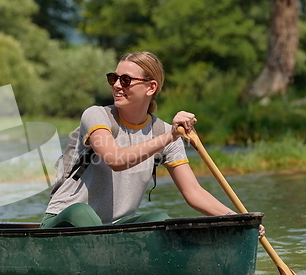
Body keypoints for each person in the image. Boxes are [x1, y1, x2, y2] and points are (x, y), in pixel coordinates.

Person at [41, 51, 264, 237]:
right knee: (81, 211)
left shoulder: (164, 132)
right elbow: (115, 160)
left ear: (151, 87)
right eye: (113, 78)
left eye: (126, 80)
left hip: (112, 230)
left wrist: (237, 220)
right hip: (64, 223)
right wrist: (169, 137)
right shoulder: (97, 116)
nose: (117, 85)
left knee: (160, 220)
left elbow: (194, 192)